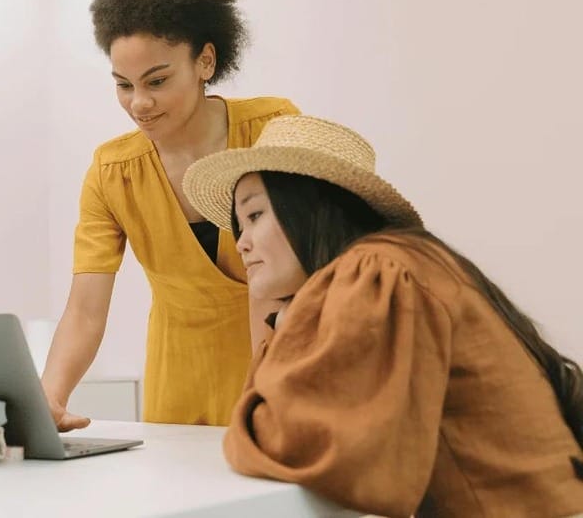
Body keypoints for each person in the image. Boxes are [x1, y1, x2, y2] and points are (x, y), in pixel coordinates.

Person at [182, 114, 583, 517]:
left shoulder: (376, 273)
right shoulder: (401, 263)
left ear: (309, 207)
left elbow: (295, 441)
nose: (242, 243)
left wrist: (286, 331)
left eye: (254, 216)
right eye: (239, 226)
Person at [41, 0, 299, 429]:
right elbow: (85, 309)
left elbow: (284, 277)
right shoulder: (112, 171)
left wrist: (264, 392)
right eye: (123, 85)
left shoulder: (274, 128)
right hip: (176, 375)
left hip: (279, 361)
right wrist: (46, 401)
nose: (139, 103)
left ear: (205, 60)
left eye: (157, 81)